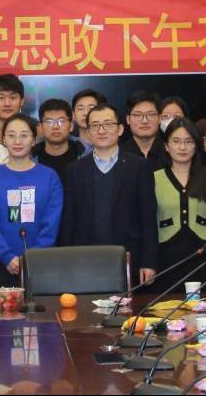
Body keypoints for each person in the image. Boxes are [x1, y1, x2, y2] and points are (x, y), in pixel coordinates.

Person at [61, 103, 158, 284]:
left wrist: (149, 262)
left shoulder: (139, 166)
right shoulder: (75, 170)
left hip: (129, 258)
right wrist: (66, 260)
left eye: (108, 124)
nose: (101, 130)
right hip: (84, 260)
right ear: (88, 133)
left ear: (120, 129)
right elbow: (68, 220)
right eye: (95, 125)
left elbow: (148, 217)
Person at [0, 114, 63, 290]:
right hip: (1, 265)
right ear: (3, 139)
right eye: (11, 135)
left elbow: (51, 224)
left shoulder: (49, 177)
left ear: (33, 140)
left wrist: (31, 257)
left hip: (40, 266)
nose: (17, 141)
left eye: (24, 135)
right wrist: (6, 256)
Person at [154, 118, 206, 288]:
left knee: (205, 304)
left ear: (196, 146)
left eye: (189, 142)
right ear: (166, 146)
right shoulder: (154, 178)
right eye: (176, 141)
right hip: (165, 260)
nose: (182, 147)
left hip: (204, 258)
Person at [31, 98, 84, 183]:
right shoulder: (30, 158)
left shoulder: (86, 155)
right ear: (41, 127)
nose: (55, 126)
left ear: (71, 126)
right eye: (49, 122)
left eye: (61, 121)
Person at [122, 90, 169, 171]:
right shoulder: (118, 154)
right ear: (128, 119)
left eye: (150, 114)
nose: (144, 121)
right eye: (138, 115)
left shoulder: (171, 151)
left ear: (160, 118)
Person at [0, 74, 25, 143]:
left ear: (22, 101)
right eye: (1, 98)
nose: (7, 104)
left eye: (13, 97)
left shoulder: (35, 132)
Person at [71, 89, 107, 156]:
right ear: (73, 115)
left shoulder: (110, 145)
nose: (85, 113)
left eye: (91, 108)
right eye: (80, 109)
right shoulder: (66, 145)